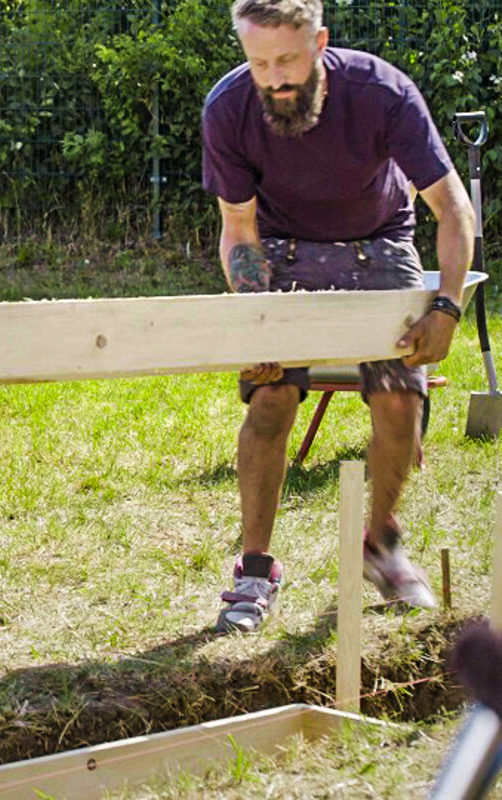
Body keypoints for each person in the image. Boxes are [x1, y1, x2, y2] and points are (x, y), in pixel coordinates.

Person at [201, 0, 476, 633]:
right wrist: (257, 319)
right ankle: (253, 569)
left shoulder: (381, 92)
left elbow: (452, 206)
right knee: (271, 397)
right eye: (259, 62)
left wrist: (446, 307)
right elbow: (238, 229)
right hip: (281, 249)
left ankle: (380, 545)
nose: (275, 78)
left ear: (319, 42)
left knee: (400, 399)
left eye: (288, 59)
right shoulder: (229, 107)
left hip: (378, 243)